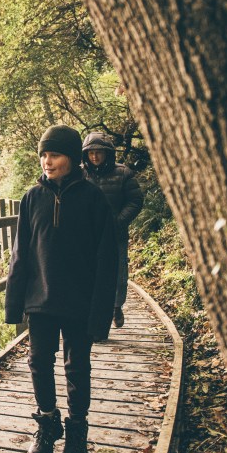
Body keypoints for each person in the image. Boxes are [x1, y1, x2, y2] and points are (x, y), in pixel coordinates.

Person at [4, 124, 118, 453]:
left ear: (71, 157)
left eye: (53, 155)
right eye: (43, 155)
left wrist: (102, 313)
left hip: (79, 302)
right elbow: (20, 253)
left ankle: (77, 432)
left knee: (77, 366)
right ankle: (47, 423)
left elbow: (107, 259)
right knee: (39, 362)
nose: (46, 161)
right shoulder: (31, 198)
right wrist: (14, 302)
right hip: (40, 299)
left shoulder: (93, 198)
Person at [81, 132, 144, 329]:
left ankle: (116, 307)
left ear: (107, 153)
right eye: (91, 153)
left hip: (115, 234)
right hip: (88, 236)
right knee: (89, 274)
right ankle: (94, 315)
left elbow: (135, 200)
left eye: (99, 152)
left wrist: (118, 221)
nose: (95, 157)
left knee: (118, 274)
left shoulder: (123, 173)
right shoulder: (79, 174)